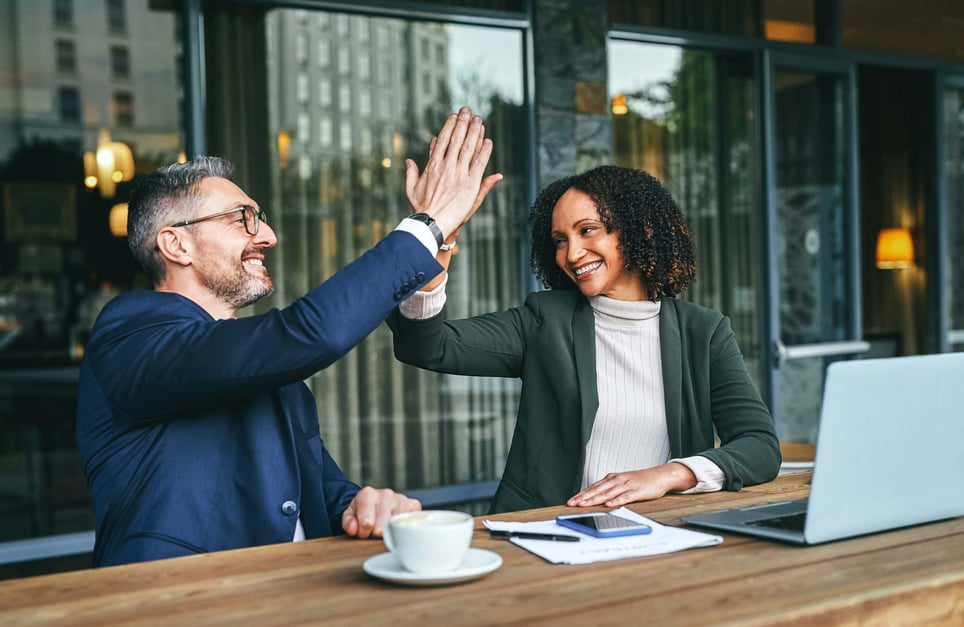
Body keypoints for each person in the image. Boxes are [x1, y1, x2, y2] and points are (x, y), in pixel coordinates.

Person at [76, 106, 503, 566]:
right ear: (176, 244)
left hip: (294, 595)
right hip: (181, 602)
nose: (270, 236)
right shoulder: (129, 332)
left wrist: (362, 505)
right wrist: (426, 226)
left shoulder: (265, 363)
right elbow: (311, 334)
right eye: (244, 218)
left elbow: (321, 492)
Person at [389, 165, 781, 514]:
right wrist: (435, 241)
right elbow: (427, 344)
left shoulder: (704, 332)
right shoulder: (546, 321)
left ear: (639, 229)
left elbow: (759, 446)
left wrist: (667, 474)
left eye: (587, 230)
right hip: (547, 536)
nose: (572, 253)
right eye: (560, 240)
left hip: (663, 534)